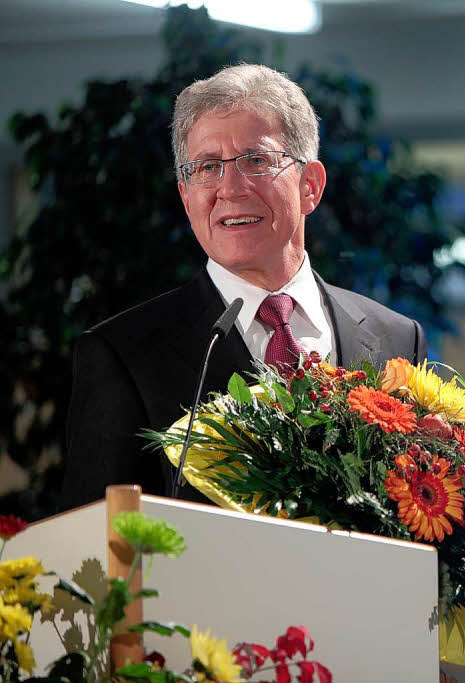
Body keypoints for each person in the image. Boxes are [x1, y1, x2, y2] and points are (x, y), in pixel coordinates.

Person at [59, 64, 427, 510]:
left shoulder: (397, 338)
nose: (229, 189)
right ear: (185, 195)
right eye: (208, 167)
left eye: (255, 161)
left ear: (310, 185)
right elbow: (96, 556)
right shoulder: (122, 355)